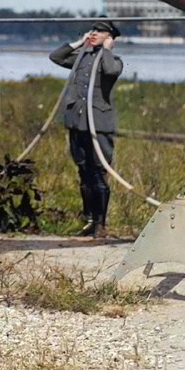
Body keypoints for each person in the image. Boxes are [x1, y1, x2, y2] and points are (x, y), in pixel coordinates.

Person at [49, 20, 123, 238]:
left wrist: (107, 49)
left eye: (99, 31)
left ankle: (101, 224)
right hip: (76, 121)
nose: (93, 33)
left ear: (110, 37)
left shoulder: (113, 60)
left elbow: (110, 71)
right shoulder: (81, 57)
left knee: (99, 173)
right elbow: (56, 57)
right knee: (84, 172)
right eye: (92, 29)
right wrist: (79, 43)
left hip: (98, 125)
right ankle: (89, 220)